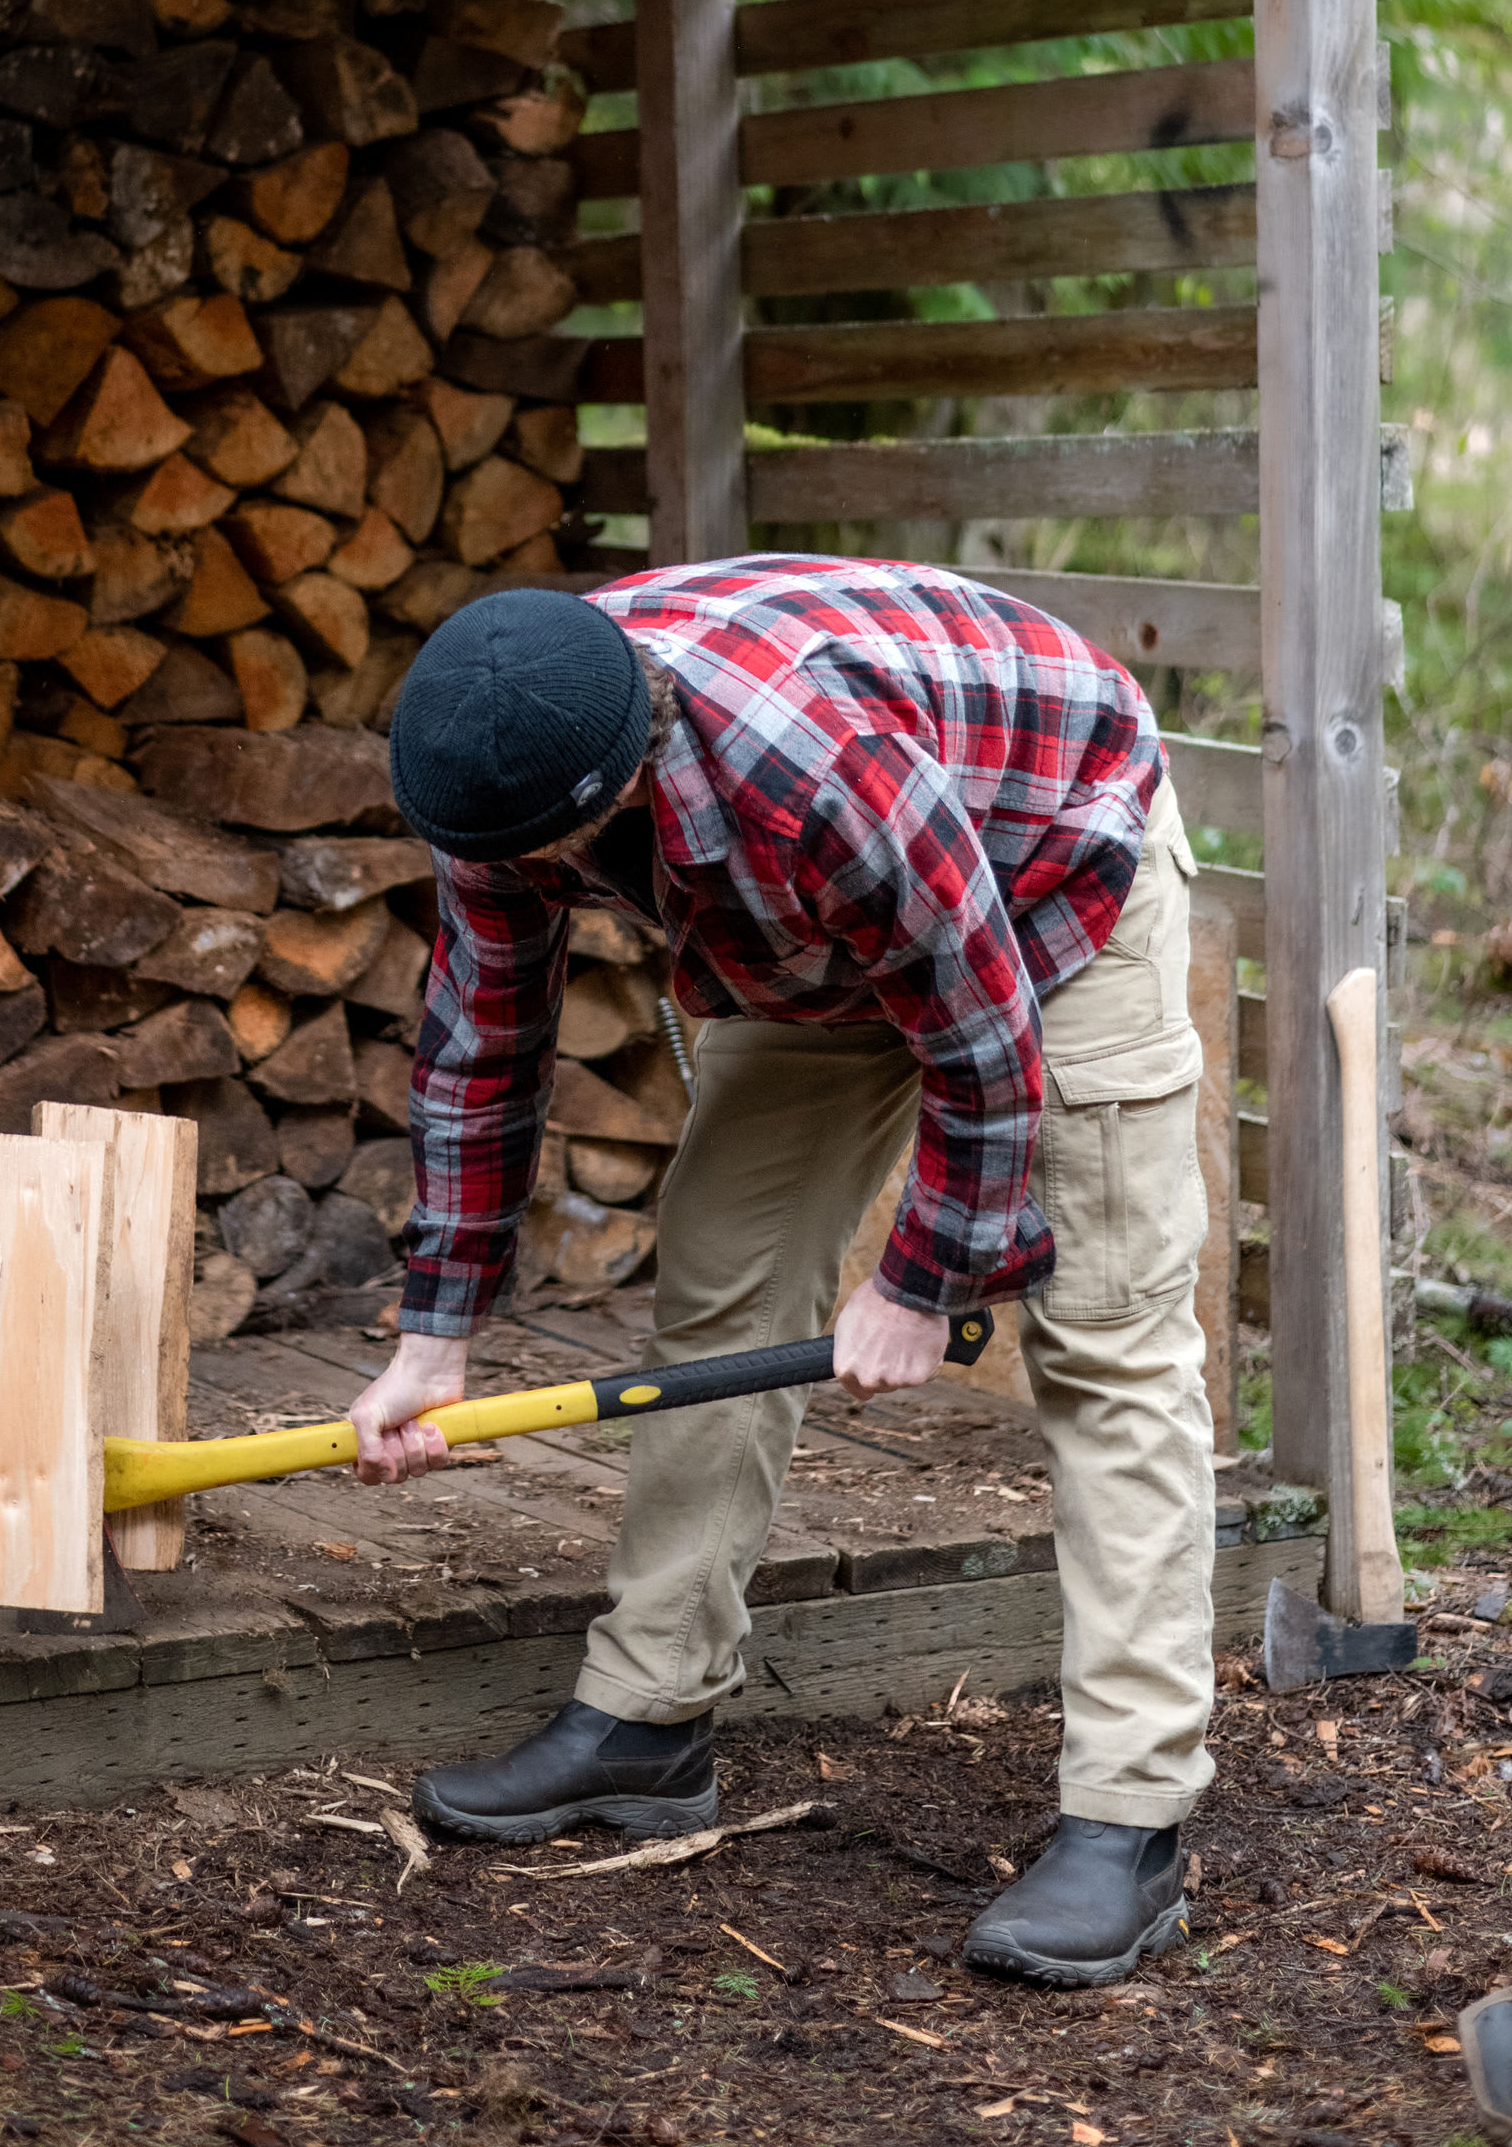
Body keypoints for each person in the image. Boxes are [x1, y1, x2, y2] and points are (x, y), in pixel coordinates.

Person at [350, 558, 1212, 1992]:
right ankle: (648, 1713)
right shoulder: (498, 761)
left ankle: (1131, 1819)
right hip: (826, 925)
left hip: (1049, 856)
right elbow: (482, 1047)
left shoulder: (811, 770)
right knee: (722, 1276)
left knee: (1104, 1333)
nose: (525, 881)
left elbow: (983, 1032)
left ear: (621, 785)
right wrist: (435, 1339)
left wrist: (922, 1281)